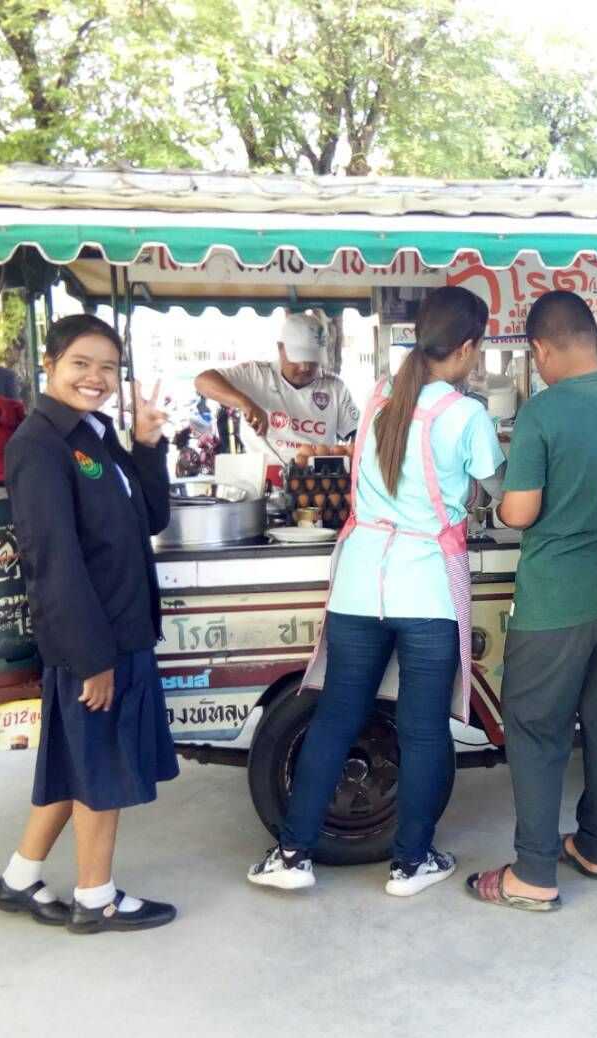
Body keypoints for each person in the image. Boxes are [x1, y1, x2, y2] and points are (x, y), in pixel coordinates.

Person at [248, 287, 503, 898]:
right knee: (422, 728)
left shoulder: (382, 395)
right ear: (467, 348)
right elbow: (502, 491)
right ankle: (411, 863)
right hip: (426, 589)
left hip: (360, 582)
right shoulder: (466, 415)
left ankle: (292, 854)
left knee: (336, 716)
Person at [466, 291, 597, 911]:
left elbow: (519, 511)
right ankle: (593, 846)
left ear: (540, 349)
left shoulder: (543, 412)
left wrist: (501, 500)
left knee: (536, 728)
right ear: (594, 338)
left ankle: (532, 873)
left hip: (561, 595)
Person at [0, 314, 178, 934]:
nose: (95, 377)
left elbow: (150, 517)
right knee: (102, 767)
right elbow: (53, 561)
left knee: (76, 762)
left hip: (118, 628)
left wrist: (147, 445)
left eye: (108, 367)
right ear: (49, 364)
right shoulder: (39, 444)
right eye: (81, 363)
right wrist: (91, 657)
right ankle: (95, 898)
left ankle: (20, 878)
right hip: (96, 639)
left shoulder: (95, 435)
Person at [194, 313, 360, 457]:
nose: (305, 367)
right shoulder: (257, 374)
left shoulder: (335, 388)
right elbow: (202, 381)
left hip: (318, 476)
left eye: (312, 360)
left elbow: (357, 433)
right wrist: (245, 403)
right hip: (263, 476)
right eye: (297, 358)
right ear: (280, 348)